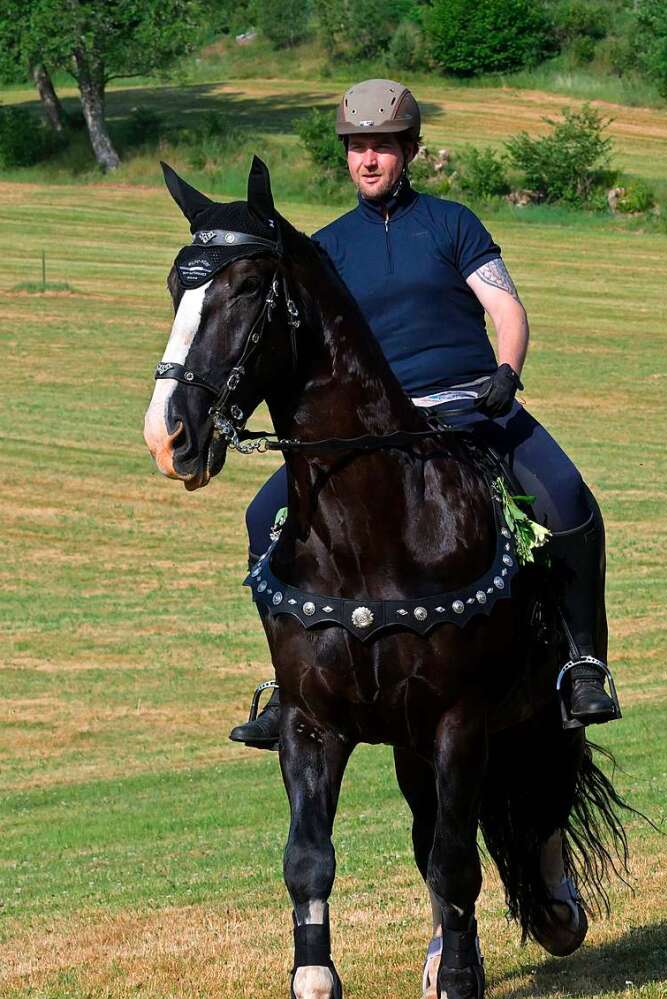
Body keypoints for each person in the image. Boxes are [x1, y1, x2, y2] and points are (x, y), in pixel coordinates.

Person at [230, 79, 618, 749]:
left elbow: (505, 309)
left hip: (472, 407)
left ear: (409, 149)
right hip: (375, 427)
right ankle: (287, 682)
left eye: (382, 146)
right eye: (357, 148)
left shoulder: (452, 224)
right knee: (263, 517)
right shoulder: (327, 249)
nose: (369, 160)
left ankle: (582, 664)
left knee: (566, 501)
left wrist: (505, 371)